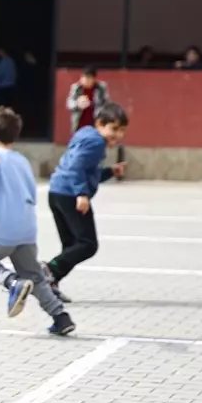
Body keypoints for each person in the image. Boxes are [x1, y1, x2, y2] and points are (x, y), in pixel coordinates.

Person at [0, 108, 75, 336]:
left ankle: (11, 282)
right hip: (27, 229)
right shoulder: (23, 161)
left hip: (2, 228)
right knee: (35, 276)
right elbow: (32, 193)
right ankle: (60, 317)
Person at [44, 102, 129, 302]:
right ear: (100, 123)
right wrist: (81, 194)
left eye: (122, 131)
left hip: (57, 192)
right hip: (70, 195)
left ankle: (50, 283)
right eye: (114, 129)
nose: (117, 135)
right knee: (88, 244)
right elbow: (76, 166)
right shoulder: (96, 142)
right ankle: (46, 270)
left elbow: (86, 170)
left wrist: (109, 171)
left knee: (71, 245)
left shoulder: (85, 134)